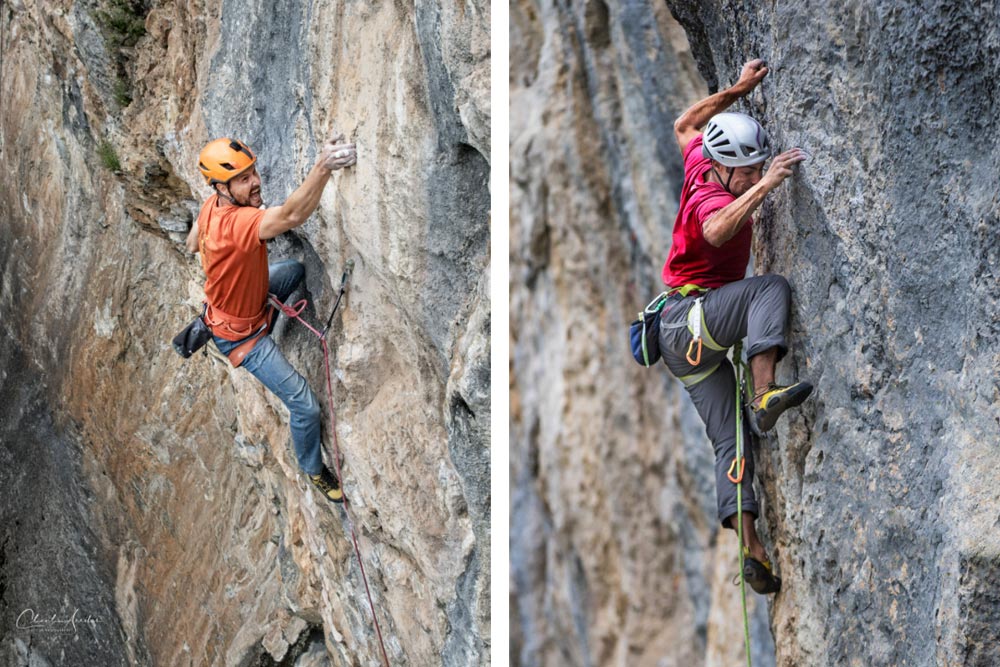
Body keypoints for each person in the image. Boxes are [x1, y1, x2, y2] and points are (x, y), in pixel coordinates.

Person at [658, 59, 812, 594]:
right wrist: (765, 186)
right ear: (724, 168)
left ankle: (752, 548)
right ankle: (766, 393)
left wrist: (740, 89)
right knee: (769, 290)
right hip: (689, 320)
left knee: (732, 441)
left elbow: (685, 122)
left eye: (755, 168)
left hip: (682, 341)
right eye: (743, 171)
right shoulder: (711, 193)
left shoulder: (705, 154)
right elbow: (719, 230)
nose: (750, 174)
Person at [185, 135, 357, 503]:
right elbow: (293, 215)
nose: (255, 181)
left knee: (293, 270)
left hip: (247, 299)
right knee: (305, 405)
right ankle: (313, 469)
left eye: (253, 173)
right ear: (222, 188)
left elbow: (191, 242)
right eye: (243, 179)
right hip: (243, 338)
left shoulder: (210, 208)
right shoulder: (237, 223)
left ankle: (266, 311)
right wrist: (323, 167)